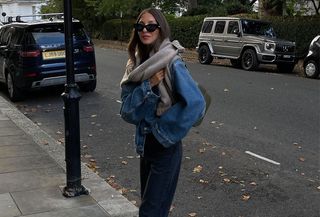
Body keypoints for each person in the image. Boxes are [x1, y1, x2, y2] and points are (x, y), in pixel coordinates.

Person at [120, 8, 206, 217]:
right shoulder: (137, 65)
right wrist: (148, 85)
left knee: (151, 212)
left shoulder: (172, 62)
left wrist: (163, 131)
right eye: (140, 26)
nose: (145, 30)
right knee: (153, 209)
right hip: (145, 146)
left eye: (151, 26)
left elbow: (196, 104)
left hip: (165, 147)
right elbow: (127, 111)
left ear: (161, 29)